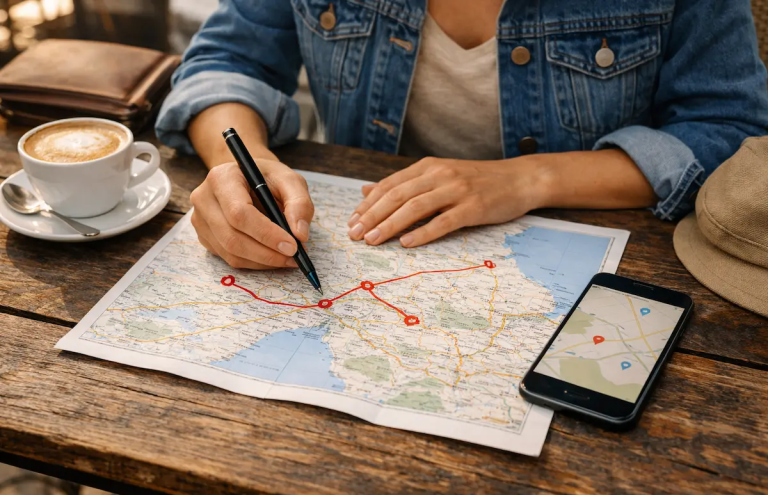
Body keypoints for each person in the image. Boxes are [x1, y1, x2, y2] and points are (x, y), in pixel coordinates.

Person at [156, 0, 768, 270]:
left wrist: (531, 178)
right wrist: (241, 161)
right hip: (368, 248)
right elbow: (226, 61)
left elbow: (730, 130)